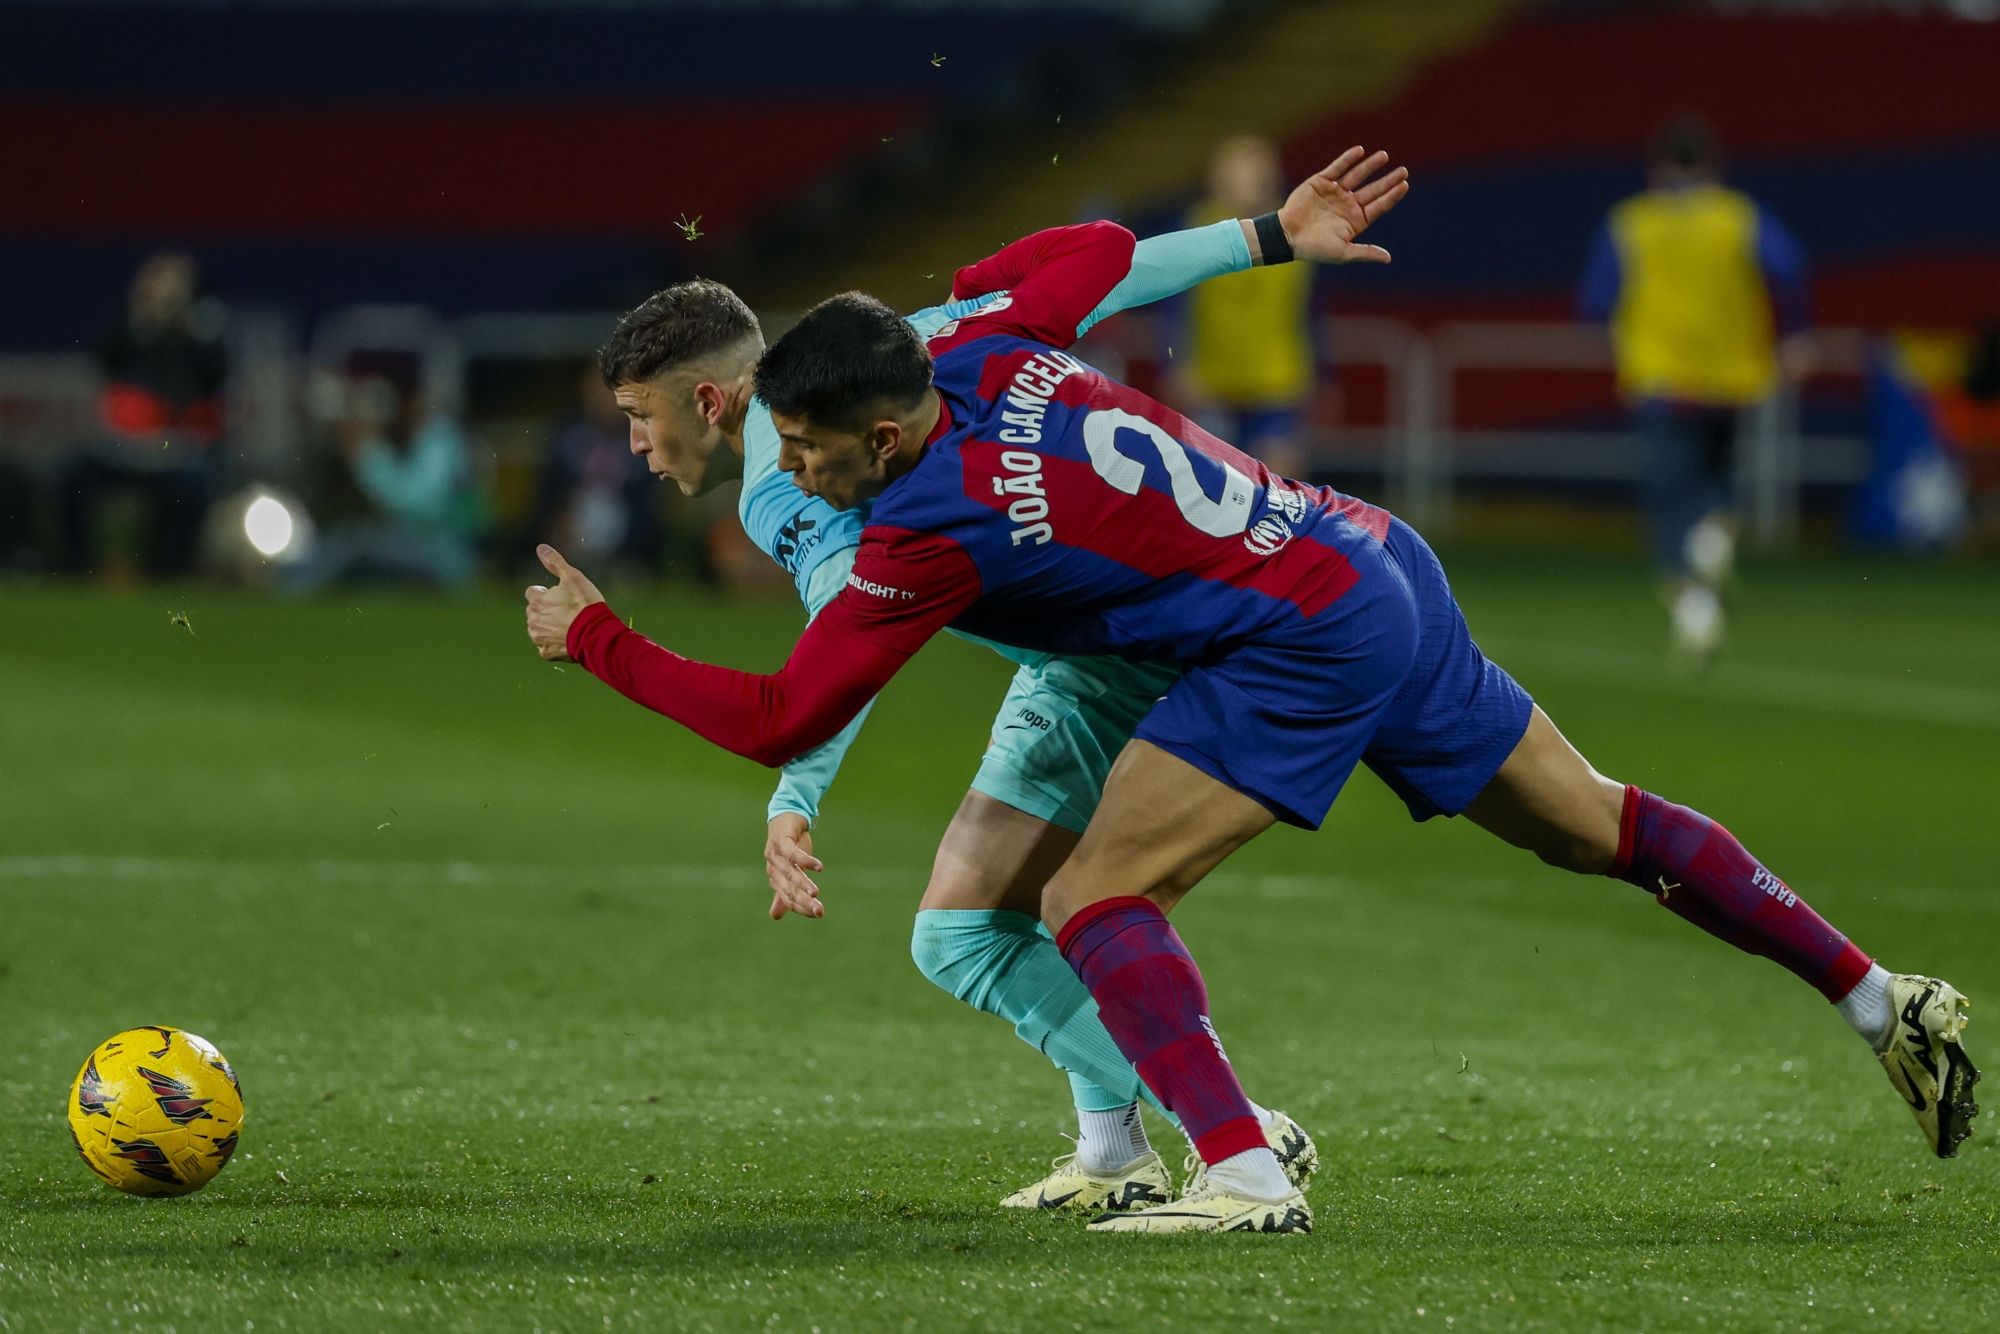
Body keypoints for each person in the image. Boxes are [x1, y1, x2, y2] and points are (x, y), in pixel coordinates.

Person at [527, 203, 1977, 1237]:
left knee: (1098, 890)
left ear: (886, 437)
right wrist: (1200, 247)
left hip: (1290, 635)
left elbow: (787, 708)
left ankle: (1242, 1168)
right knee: (1596, 826)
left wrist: (597, 639)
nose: (793, 472)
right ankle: (1879, 994)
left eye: (812, 449)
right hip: (1360, 550)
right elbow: (1089, 250)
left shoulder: (923, 528)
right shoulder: (980, 347)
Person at [560, 149, 1404, 1214]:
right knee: (991, 917)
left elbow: (836, 648)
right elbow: (1109, 271)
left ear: (711, 399)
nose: (634, 442)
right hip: (1121, 622)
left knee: (964, 932)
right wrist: (1264, 237)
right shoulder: (902, 341)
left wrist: (791, 789)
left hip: (1111, 652)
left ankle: (1225, 1128)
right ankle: (1114, 1154)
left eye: (641, 415)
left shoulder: (784, 484)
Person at [1578, 117, 1812, 662]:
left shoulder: (1631, 222)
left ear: (1656, 168)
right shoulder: (1738, 216)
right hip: (1731, 379)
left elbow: (1593, 301)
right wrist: (1796, 335)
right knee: (1716, 485)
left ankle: (1693, 610)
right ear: (1714, 165)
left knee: (1668, 501)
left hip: (1661, 381)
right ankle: (1714, 540)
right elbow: (1789, 266)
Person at [59, 252, 227, 579]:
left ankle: (166, 575)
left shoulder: (200, 329)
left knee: (193, 489)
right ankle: (78, 570)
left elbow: (213, 376)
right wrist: (144, 317)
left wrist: (180, 325)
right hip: (122, 449)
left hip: (173, 451)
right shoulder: (130, 324)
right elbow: (104, 357)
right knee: (68, 479)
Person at [1170, 134, 1319, 480]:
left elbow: (1307, 309)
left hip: (1277, 383)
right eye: (1231, 174)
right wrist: (1176, 364)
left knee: (1279, 489)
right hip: (1211, 385)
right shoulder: (1198, 226)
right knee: (1212, 488)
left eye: (1252, 173)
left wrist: (1321, 375)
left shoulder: (1296, 229)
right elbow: (1177, 306)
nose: (1241, 183)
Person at [288, 375, 482, 592]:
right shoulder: (431, 436)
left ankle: (291, 589)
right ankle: (291, 582)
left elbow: (421, 504)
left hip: (446, 555)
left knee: (352, 541)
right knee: (350, 539)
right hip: (430, 546)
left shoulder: (440, 437)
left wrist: (368, 455)